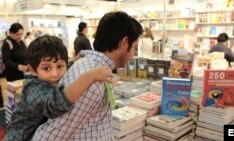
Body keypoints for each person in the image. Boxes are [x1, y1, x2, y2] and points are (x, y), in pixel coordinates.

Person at [32, 11, 143, 140]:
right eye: (135, 47)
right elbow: (50, 136)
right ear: (124, 42)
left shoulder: (93, 67)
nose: (134, 54)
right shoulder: (92, 82)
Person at [4, 35, 113, 141]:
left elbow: (67, 65)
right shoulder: (33, 88)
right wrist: (90, 76)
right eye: (46, 68)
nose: (55, 74)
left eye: (60, 66)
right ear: (33, 70)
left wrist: (76, 60)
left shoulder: (53, 75)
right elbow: (55, 104)